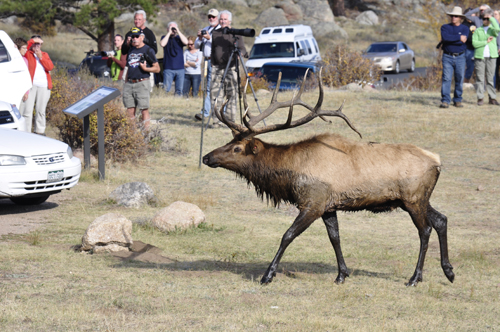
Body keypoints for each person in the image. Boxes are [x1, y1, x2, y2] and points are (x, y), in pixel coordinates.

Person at [210, 10, 247, 126]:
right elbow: (213, 49)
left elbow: (243, 49)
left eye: (225, 19)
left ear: (230, 20)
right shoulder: (215, 33)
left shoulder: (236, 33)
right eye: (221, 19)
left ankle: (231, 121)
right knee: (216, 95)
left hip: (231, 68)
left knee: (232, 94)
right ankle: (217, 121)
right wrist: (212, 63)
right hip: (217, 68)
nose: (223, 21)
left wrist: (241, 54)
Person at [123, 27, 160, 129]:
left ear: (142, 37)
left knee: (144, 109)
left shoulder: (148, 50)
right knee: (129, 110)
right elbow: (129, 67)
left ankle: (146, 134)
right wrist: (126, 82)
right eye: (133, 36)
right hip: (129, 83)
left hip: (142, 83)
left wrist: (145, 68)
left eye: (137, 36)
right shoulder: (131, 50)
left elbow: (157, 69)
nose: (134, 38)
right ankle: (133, 136)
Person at [23, 36, 54, 134]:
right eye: (35, 43)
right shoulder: (27, 53)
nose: (37, 46)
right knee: (27, 110)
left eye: (39, 44)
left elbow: (50, 67)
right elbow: (23, 46)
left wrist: (41, 57)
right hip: (30, 86)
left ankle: (39, 132)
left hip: (44, 86)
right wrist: (32, 41)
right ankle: (25, 132)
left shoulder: (44, 54)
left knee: (40, 110)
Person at [439, 6, 469, 109]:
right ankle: (445, 100)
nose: (453, 18)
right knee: (446, 78)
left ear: (460, 18)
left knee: (459, 78)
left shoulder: (465, 28)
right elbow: (445, 38)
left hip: (460, 56)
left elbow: (463, 41)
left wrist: (451, 39)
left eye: (456, 16)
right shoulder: (445, 27)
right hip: (447, 56)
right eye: (452, 16)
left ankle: (457, 100)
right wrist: (458, 37)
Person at [194, 8, 220, 121]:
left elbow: (221, 45)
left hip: (216, 61)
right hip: (206, 61)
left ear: (217, 18)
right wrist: (200, 38)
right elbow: (196, 46)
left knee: (214, 87)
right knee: (206, 87)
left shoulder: (221, 30)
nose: (211, 19)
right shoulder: (206, 29)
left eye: (213, 17)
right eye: (209, 16)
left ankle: (207, 112)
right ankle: (207, 112)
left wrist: (209, 38)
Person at [122, 10, 157, 89]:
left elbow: (155, 50)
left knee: (146, 91)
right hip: (131, 66)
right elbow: (123, 51)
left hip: (145, 66)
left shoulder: (149, 33)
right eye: (135, 19)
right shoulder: (129, 33)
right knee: (127, 89)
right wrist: (128, 43)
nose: (137, 21)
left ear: (144, 20)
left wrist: (141, 45)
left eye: (139, 19)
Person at [472, 8, 500, 105]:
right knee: (480, 78)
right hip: (480, 57)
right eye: (484, 18)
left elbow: (498, 29)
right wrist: (485, 42)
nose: (486, 20)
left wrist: (491, 18)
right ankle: (480, 98)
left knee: (490, 78)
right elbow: (474, 43)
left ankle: (492, 98)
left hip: (492, 57)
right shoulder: (478, 30)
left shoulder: (493, 30)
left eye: (488, 19)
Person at [160, 22, 188, 96]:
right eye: (170, 28)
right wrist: (169, 33)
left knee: (179, 90)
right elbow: (162, 44)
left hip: (180, 68)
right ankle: (165, 102)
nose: (172, 29)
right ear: (167, 29)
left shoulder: (179, 38)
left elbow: (186, 42)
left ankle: (178, 104)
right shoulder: (164, 37)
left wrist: (178, 31)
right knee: (166, 89)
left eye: (174, 28)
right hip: (168, 68)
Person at [463, 8, 477, 84]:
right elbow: (467, 37)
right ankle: (463, 83)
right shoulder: (464, 25)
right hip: (466, 48)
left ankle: (466, 82)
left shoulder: (477, 24)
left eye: (473, 15)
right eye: (470, 15)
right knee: (464, 67)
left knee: (471, 67)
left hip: (475, 49)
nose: (472, 17)